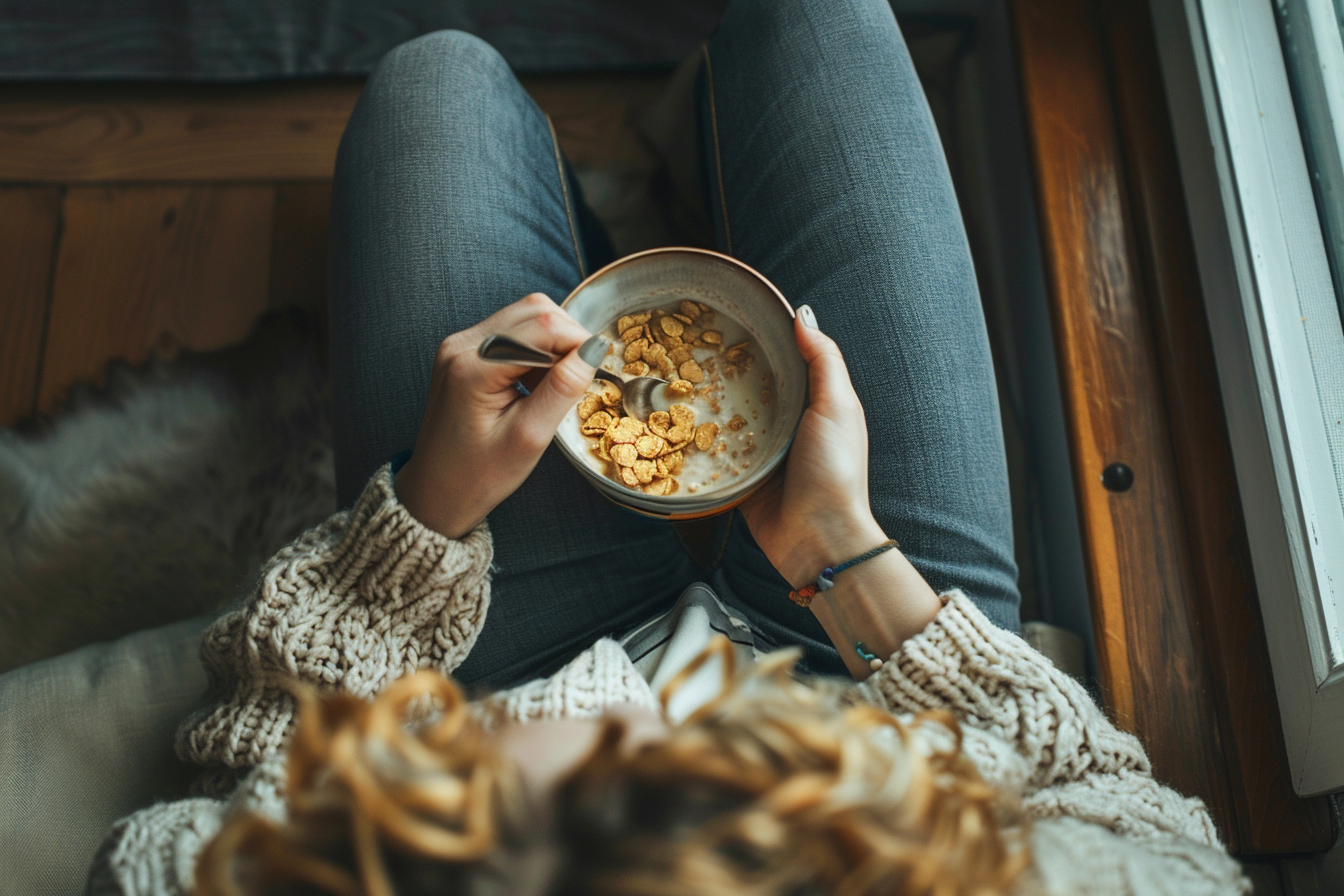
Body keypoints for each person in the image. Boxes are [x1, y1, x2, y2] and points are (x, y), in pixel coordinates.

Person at [86, 0, 1249, 892]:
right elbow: (1127, 811)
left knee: (435, 82)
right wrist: (839, 545)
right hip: (871, 678)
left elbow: (223, 807)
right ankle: (672, 172)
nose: (634, 747)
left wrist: (424, 517)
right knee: (814, 20)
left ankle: (596, 209)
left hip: (509, 662)